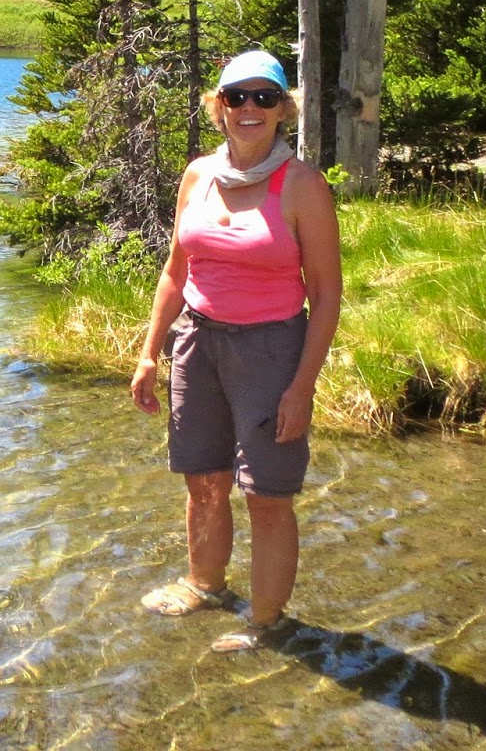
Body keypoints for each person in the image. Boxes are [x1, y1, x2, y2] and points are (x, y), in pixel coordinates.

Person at [129, 50, 341, 653]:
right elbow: (176, 270)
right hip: (197, 341)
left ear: (283, 109)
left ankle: (265, 623)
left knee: (267, 496)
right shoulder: (197, 175)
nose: (250, 108)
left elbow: (325, 297)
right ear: (218, 107)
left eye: (265, 98)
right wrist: (151, 353)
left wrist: (301, 387)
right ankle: (204, 584)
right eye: (237, 97)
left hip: (272, 349)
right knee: (203, 480)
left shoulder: (302, 186)